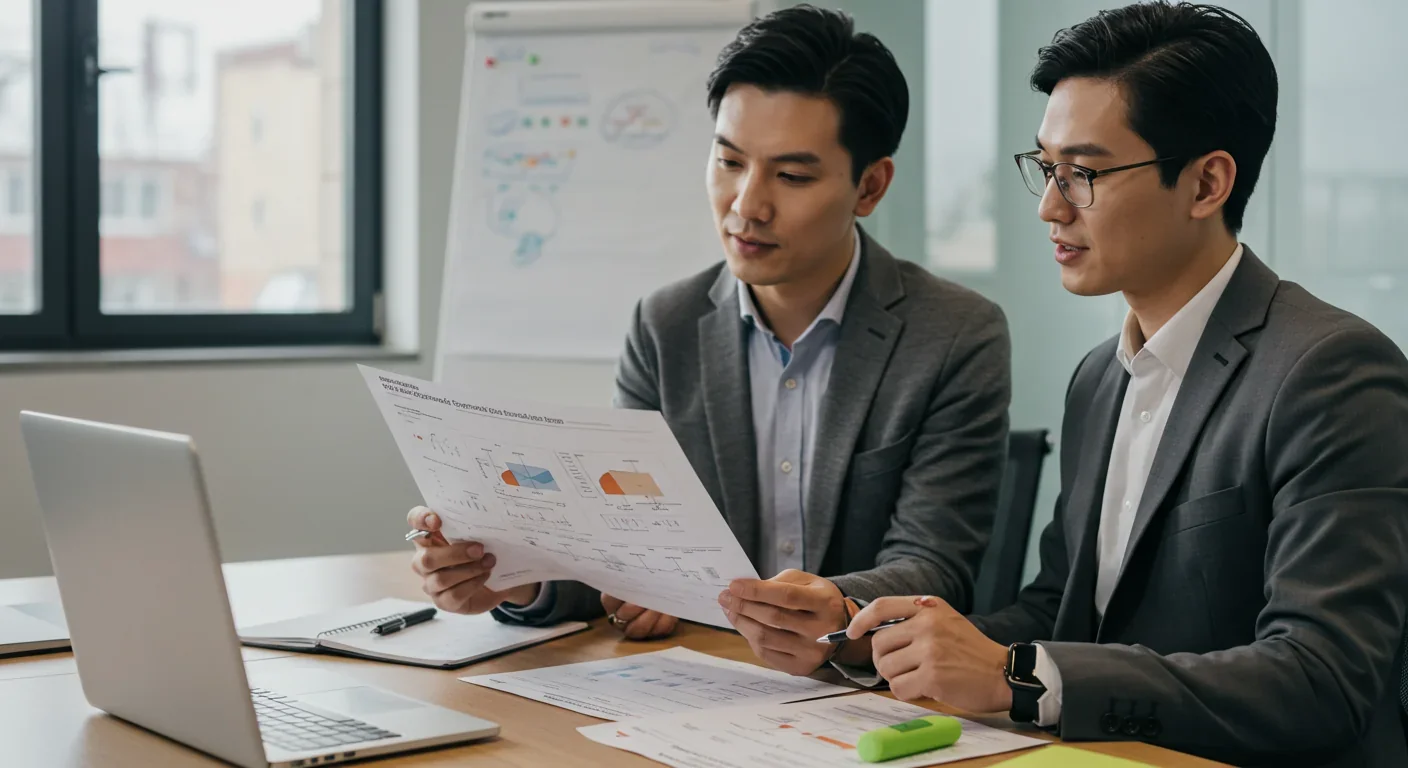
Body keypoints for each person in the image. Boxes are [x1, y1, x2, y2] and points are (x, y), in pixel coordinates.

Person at [844, 3, 1408, 766]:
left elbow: (1323, 679)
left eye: (1084, 173)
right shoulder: (1099, 379)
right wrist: (861, 634)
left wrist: (1020, 677)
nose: (1049, 206)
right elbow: (1063, 610)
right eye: (1046, 168)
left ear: (1207, 183)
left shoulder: (1332, 372)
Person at [406, 4, 1012, 677]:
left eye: (792, 176)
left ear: (870, 186)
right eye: (728, 161)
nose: (745, 205)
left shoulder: (954, 334)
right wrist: (515, 579)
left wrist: (838, 605)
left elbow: (936, 563)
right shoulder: (665, 327)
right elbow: (619, 547)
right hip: (698, 684)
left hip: (866, 696)